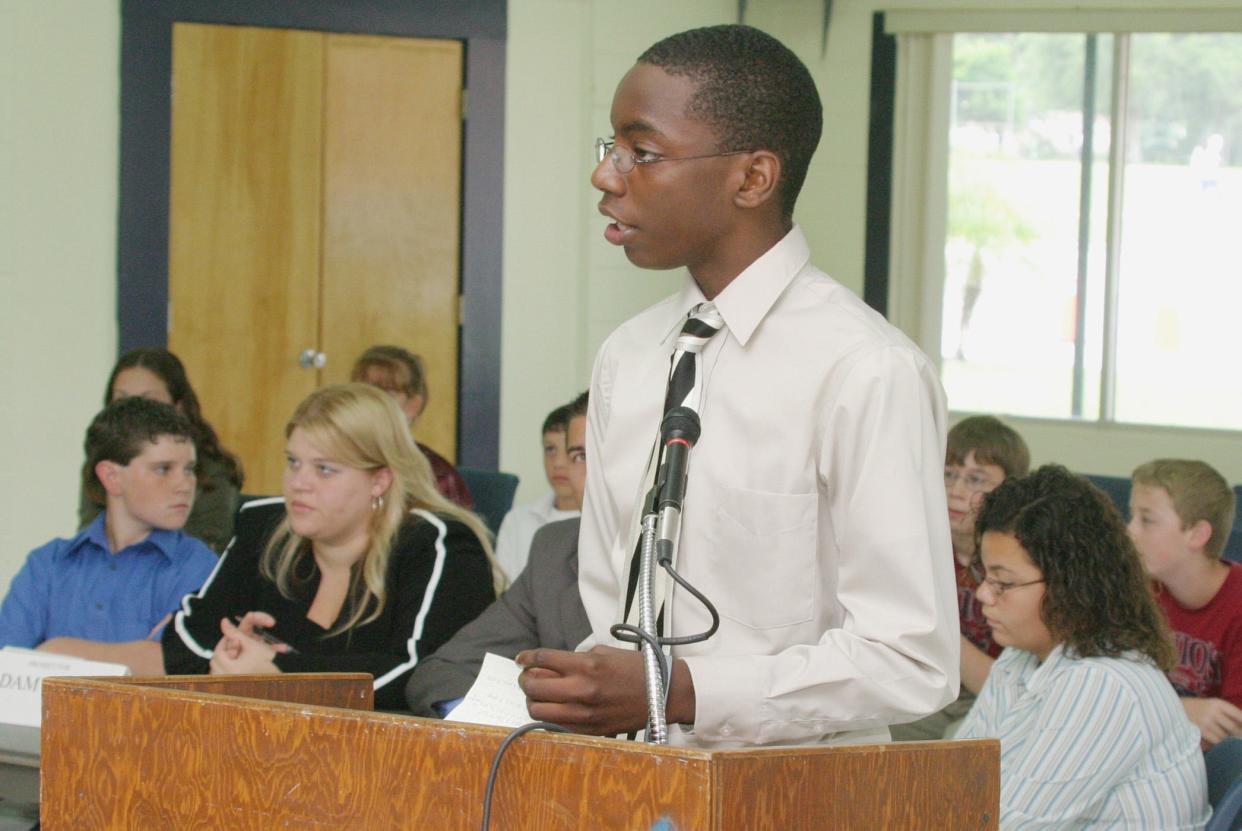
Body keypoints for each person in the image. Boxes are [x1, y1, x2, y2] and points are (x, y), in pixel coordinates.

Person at [517, 25, 957, 747]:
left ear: (752, 179)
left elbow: (910, 658)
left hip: (797, 800)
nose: (606, 176)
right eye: (611, 149)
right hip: (637, 787)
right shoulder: (628, 358)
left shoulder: (864, 369)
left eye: (643, 152)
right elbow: (610, 608)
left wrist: (684, 692)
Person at [162, 384, 500, 710]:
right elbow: (184, 633)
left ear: (379, 480)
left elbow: (419, 672)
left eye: (324, 469)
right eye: (293, 462)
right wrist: (232, 658)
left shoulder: (438, 546)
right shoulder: (264, 526)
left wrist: (279, 672)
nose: (298, 483)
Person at [958, 465, 1208, 828]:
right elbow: (958, 776)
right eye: (985, 576)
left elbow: (1005, 824)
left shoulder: (1104, 684)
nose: (983, 593)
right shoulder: (1023, 655)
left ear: (1070, 586)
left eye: (1003, 583)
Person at [0, 397, 218, 675]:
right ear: (111, 477)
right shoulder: (47, 565)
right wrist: (134, 655)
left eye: (189, 469)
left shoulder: (202, 567)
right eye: (163, 469)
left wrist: (58, 651)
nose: (185, 484)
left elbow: (172, 667)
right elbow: (8, 667)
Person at [406, 399, 592, 717]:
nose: (597, 473)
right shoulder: (555, 550)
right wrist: (493, 721)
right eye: (581, 456)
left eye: (612, 452)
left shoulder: (695, 559)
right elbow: (443, 671)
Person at [893, 415, 1029, 741]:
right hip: (929, 688)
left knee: (960, 745)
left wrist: (940, 631)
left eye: (976, 479)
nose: (956, 491)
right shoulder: (920, 546)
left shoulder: (1019, 563)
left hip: (995, 697)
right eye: (949, 474)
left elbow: (1005, 691)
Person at [80, 348, 243, 552]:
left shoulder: (211, 472)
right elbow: (89, 544)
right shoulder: (104, 464)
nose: (135, 413)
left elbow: (204, 553)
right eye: (123, 401)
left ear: (179, 407)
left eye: (149, 401)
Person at [1129, 458, 1241, 749]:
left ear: (1197, 534)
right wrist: (1178, 711)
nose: (1130, 531)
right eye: (1132, 517)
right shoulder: (1139, 590)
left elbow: (1229, 734)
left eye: (1147, 519)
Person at [351, 344, 473, 509]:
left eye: (387, 392)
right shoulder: (335, 460)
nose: (373, 400)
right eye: (364, 390)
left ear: (413, 406)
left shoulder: (437, 475)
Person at [493, 393, 588, 581]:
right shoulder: (518, 521)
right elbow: (502, 592)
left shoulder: (600, 524)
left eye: (576, 454)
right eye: (550, 450)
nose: (559, 463)